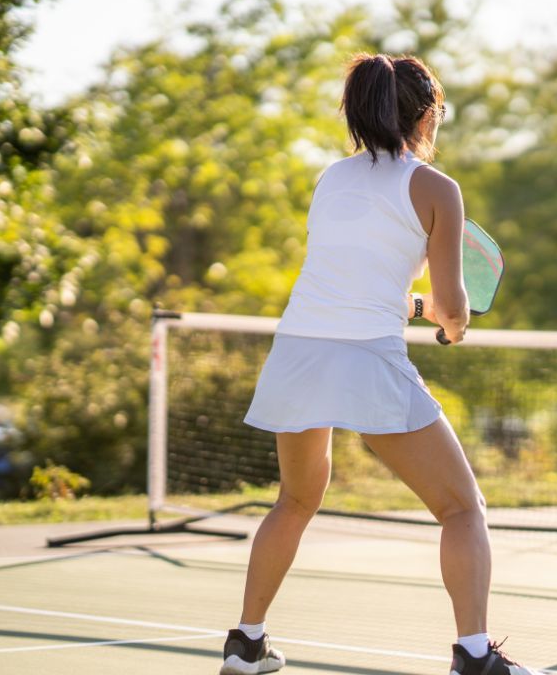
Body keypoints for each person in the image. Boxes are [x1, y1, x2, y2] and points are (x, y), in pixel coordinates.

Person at [221, 54, 538, 675]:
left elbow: (367, 281)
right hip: (367, 358)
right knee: (461, 508)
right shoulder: (438, 189)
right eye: (439, 112)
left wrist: (422, 308)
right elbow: (453, 306)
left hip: (298, 351)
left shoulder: (330, 180)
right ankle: (475, 658)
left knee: (294, 500)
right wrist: (454, 322)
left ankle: (246, 643)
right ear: (425, 115)